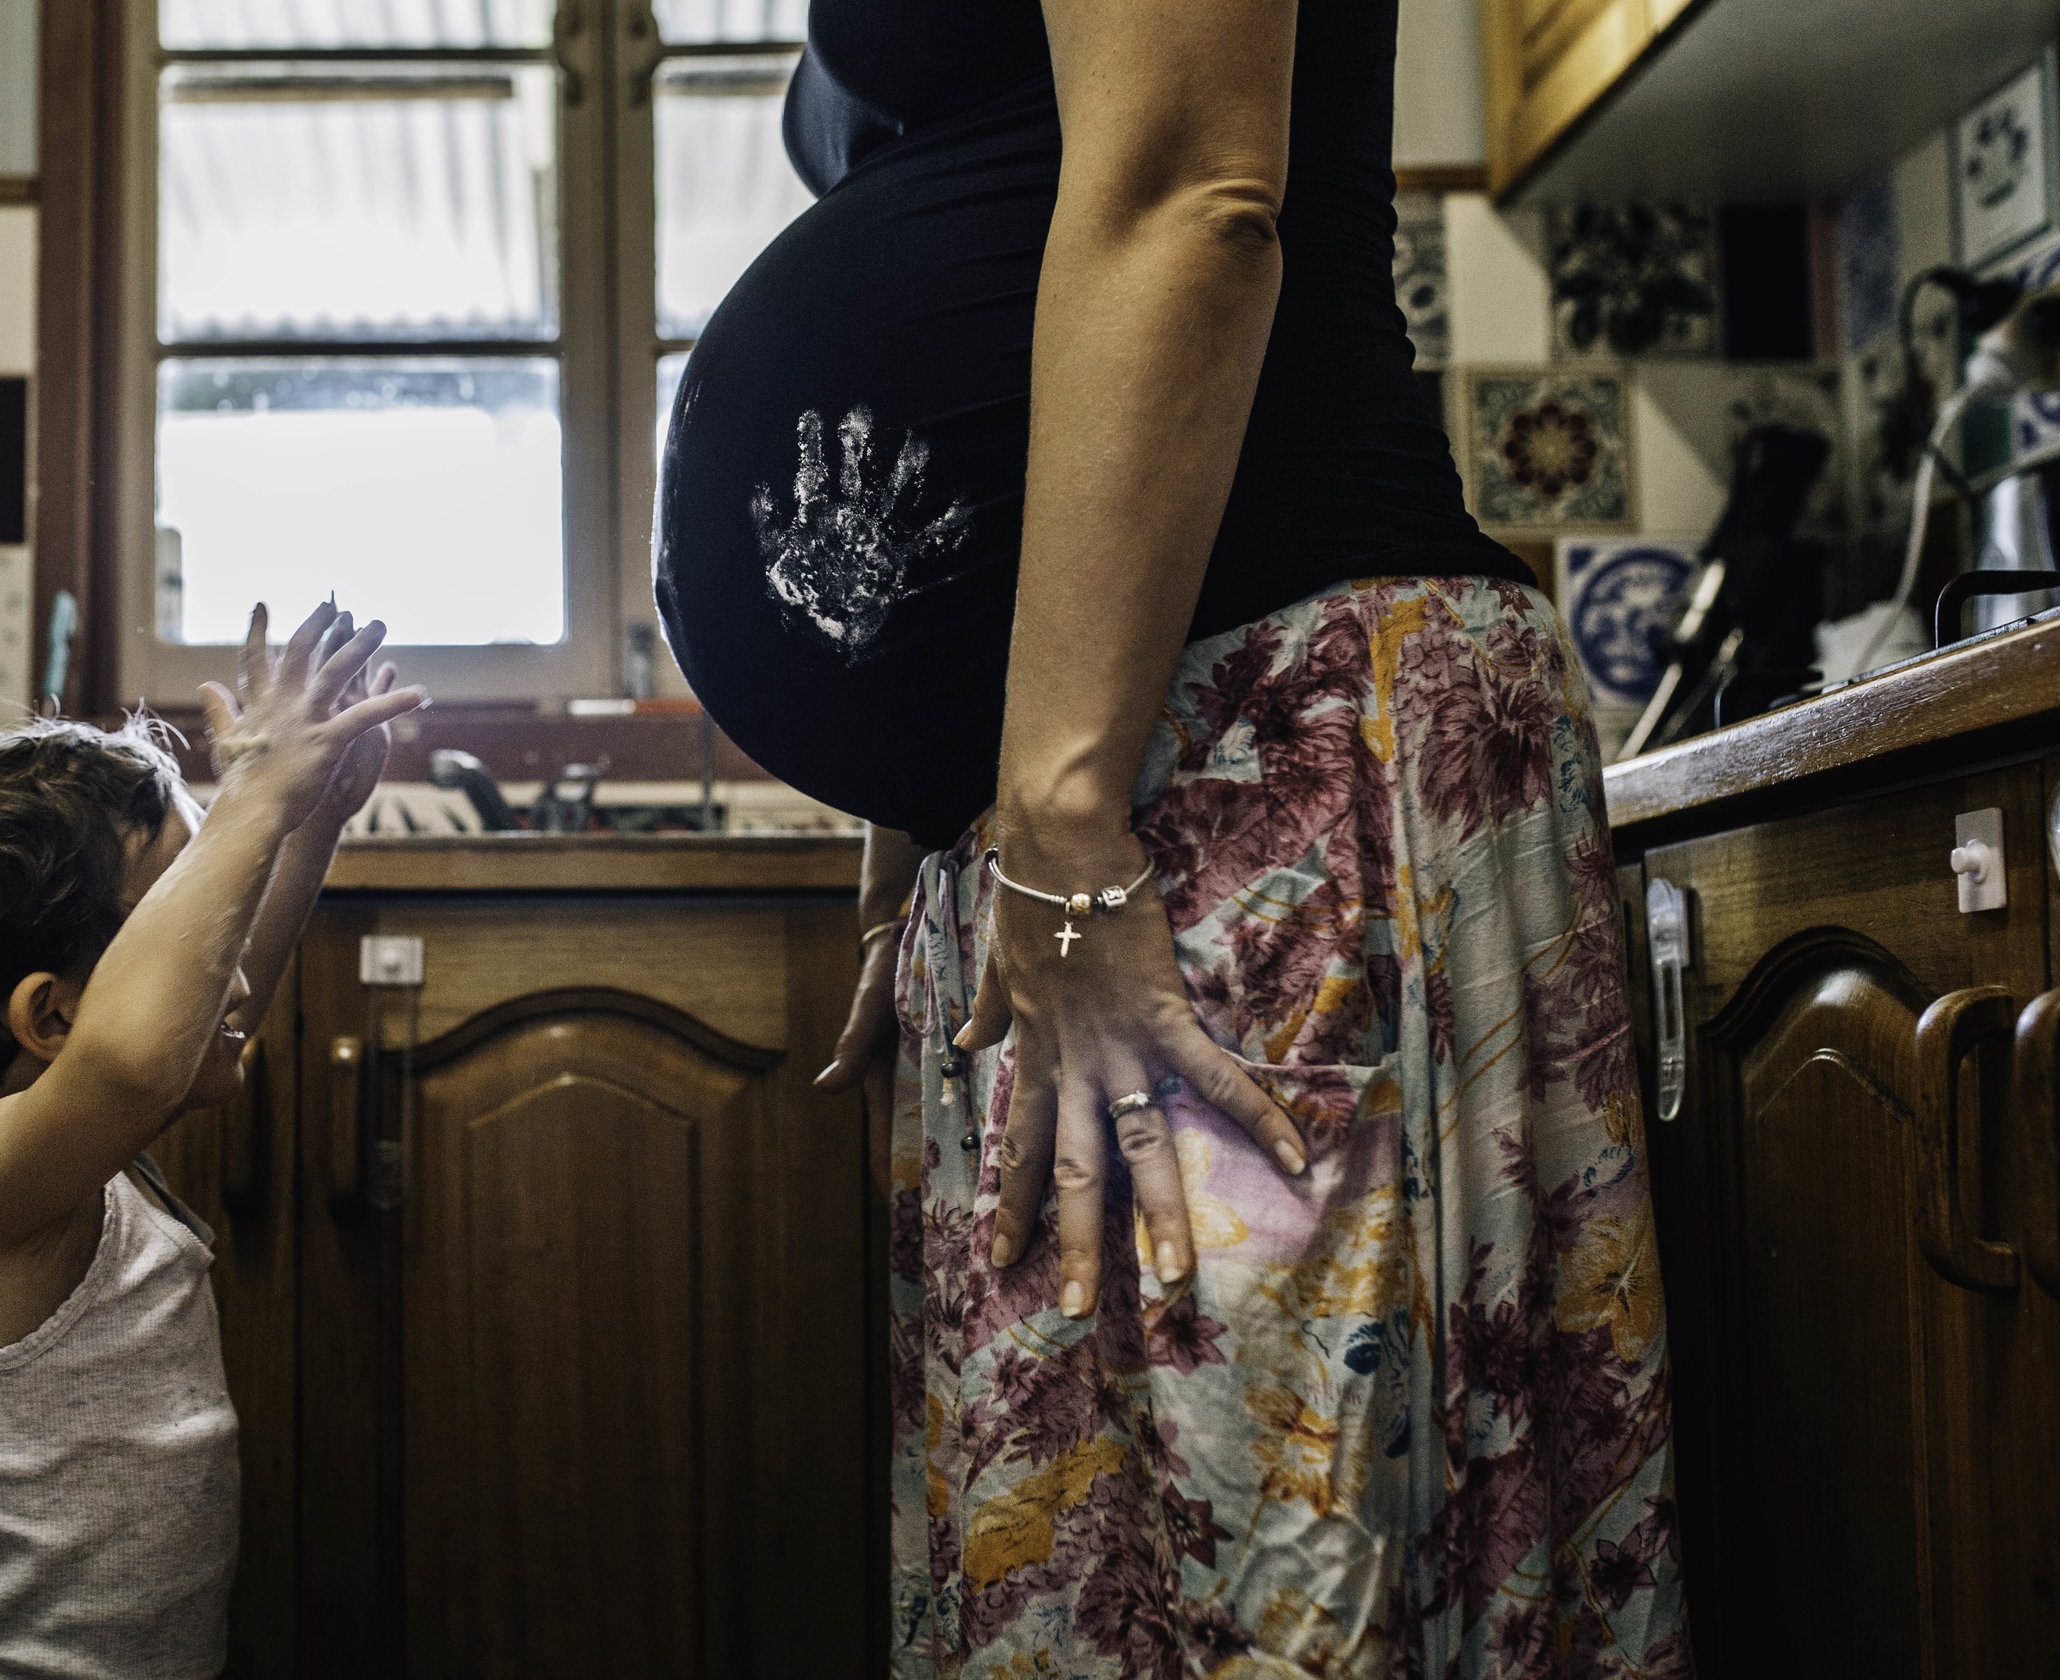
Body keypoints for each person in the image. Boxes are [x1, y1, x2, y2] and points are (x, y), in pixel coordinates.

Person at [655, 1, 1690, 1674]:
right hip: (1078, 783)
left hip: (1254, 744)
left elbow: (1194, 191)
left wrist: (1056, 804)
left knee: (1251, 1547)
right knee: (1113, 1554)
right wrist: (912, 836)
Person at [0, 604, 421, 1678]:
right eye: (170, 927)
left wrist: (302, 819)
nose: (219, 979)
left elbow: (210, 1004)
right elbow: (141, 1053)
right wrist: (252, 798)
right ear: (49, 1022)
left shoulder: (81, 1155)